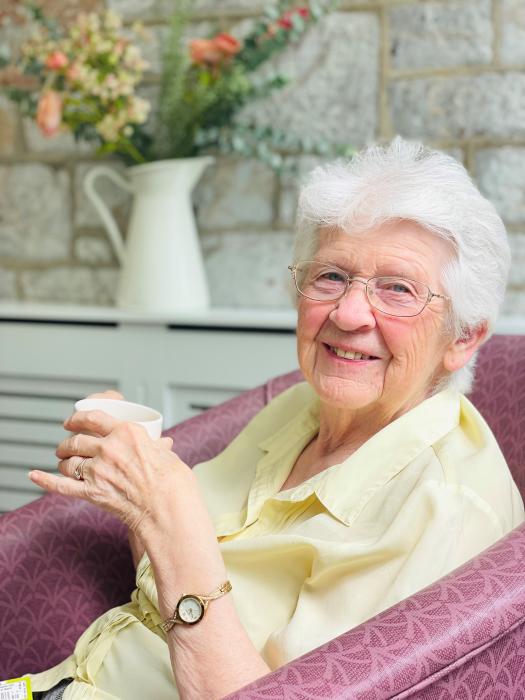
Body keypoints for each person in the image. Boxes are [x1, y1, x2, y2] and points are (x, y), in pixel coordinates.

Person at [28, 138, 524, 700]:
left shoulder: (439, 510)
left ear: (462, 337)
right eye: (331, 276)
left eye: (398, 289)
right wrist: (138, 483)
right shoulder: (302, 408)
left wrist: (167, 514)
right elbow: (168, 584)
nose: (348, 312)